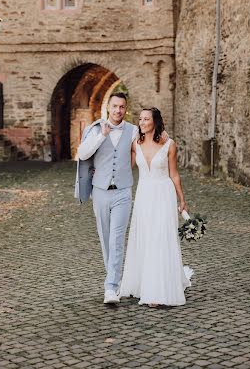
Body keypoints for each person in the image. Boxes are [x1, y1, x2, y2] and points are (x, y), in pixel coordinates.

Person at [119, 107, 193, 307]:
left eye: (146, 119)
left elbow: (174, 174)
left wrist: (182, 199)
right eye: (140, 119)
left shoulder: (169, 145)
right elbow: (126, 167)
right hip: (144, 195)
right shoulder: (135, 144)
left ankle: (158, 290)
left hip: (163, 194)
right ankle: (144, 283)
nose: (142, 123)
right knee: (145, 236)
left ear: (155, 122)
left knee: (160, 238)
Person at [76, 92, 138, 304]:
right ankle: (114, 280)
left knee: (117, 239)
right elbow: (82, 154)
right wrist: (101, 135)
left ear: (125, 109)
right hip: (100, 192)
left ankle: (110, 287)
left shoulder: (133, 131)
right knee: (105, 238)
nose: (118, 110)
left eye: (122, 107)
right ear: (108, 108)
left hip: (122, 191)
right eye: (115, 106)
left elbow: (136, 154)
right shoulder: (94, 129)